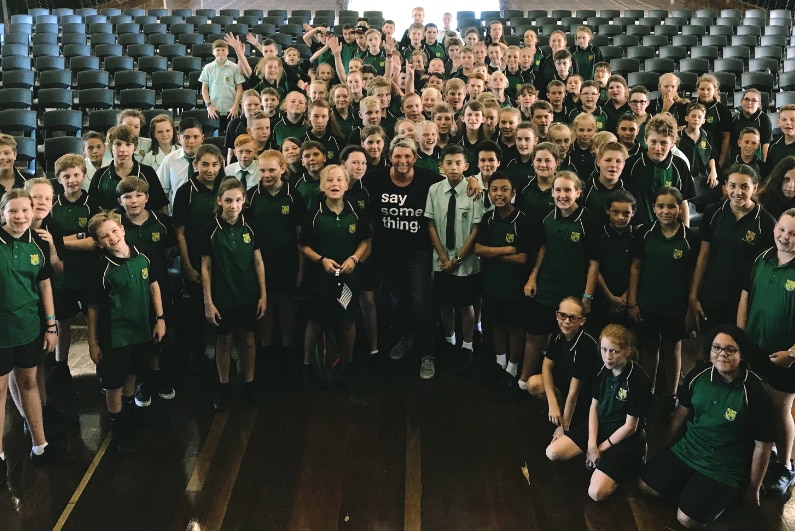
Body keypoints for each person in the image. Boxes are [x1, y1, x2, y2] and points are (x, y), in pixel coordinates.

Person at [639, 325, 775, 528]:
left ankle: (725, 497)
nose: (722, 354)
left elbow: (763, 445)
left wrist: (753, 488)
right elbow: (680, 416)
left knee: (687, 520)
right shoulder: (699, 375)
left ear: (742, 355)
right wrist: (667, 449)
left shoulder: (755, 392)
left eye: (730, 349)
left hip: (724, 465)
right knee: (645, 487)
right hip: (690, 449)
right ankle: (694, 489)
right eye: (716, 348)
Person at [0, 189, 73, 471]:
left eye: (25, 211)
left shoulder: (39, 244)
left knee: (29, 383)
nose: (20, 217)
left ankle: (40, 446)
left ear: (33, 212)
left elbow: (44, 286)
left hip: (29, 327)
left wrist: (51, 325)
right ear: (3, 213)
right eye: (13, 211)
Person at [362, 137, 442, 378]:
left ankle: (427, 353)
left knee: (420, 303)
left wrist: (471, 181)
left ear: (415, 158)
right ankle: (406, 338)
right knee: (399, 301)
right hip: (387, 251)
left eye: (407, 156)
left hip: (418, 251)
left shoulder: (428, 179)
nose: (402, 160)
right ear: (390, 158)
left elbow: (454, 183)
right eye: (397, 156)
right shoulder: (376, 178)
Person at [87, 210, 166, 453]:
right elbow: (93, 308)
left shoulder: (143, 256)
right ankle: (118, 424)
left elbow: (154, 286)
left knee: (132, 374)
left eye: (113, 231)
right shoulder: (102, 269)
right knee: (114, 383)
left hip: (140, 331)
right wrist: (93, 342)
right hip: (115, 336)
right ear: (99, 243)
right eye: (104, 236)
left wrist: (160, 318)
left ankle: (129, 413)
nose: (111, 237)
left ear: (122, 229)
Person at [546, 323, 651, 501]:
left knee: (596, 493)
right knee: (553, 452)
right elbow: (594, 407)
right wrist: (592, 444)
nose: (607, 356)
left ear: (627, 351)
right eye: (604, 349)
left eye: (614, 351)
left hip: (625, 438)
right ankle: (604, 461)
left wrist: (599, 449)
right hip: (602, 426)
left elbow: (630, 427)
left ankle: (632, 462)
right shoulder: (602, 369)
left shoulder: (638, 379)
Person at [522, 172, 600, 389]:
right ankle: (521, 382)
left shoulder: (589, 220)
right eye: (558, 190)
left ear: (578, 192)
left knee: (568, 342)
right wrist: (532, 278)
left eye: (568, 190)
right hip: (546, 288)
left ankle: (567, 390)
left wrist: (587, 296)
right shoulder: (546, 217)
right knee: (534, 335)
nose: (562, 195)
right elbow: (543, 249)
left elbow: (594, 263)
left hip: (573, 295)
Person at [738, 209, 795, 496]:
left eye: (793, 233)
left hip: (787, 358)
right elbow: (745, 297)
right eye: (781, 230)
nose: (784, 237)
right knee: (756, 402)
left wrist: (792, 354)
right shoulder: (762, 258)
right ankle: (763, 452)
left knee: (780, 408)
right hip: (755, 346)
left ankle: (785, 466)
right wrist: (740, 338)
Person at [628, 187, 699, 413]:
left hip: (674, 307)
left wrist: (689, 308)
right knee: (650, 347)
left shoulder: (690, 238)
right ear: (653, 208)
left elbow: (692, 278)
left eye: (671, 206)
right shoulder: (645, 233)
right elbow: (636, 268)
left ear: (679, 208)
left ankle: (672, 393)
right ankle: (649, 389)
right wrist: (633, 302)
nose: (665, 211)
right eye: (660, 206)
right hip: (648, 303)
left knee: (673, 349)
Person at [298, 165, 372, 381]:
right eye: (329, 180)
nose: (335, 184)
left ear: (347, 185)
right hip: (321, 280)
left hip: (349, 280)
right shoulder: (314, 213)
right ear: (321, 186)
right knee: (316, 321)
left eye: (339, 180)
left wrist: (354, 259)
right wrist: (321, 260)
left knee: (348, 323)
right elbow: (303, 246)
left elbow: (365, 241)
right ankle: (307, 365)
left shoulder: (356, 211)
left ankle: (347, 365)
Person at [689, 165, 775, 348]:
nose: (738, 192)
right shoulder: (713, 213)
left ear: (755, 188)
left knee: (737, 348)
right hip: (712, 294)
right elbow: (703, 256)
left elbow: (766, 269)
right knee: (706, 347)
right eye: (733, 186)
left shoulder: (766, 223)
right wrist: (693, 295)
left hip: (743, 299)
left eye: (744, 187)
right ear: (725, 186)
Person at [201, 178, 267, 411]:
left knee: (248, 340)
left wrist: (263, 295)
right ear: (219, 201)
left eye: (238, 200)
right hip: (222, 297)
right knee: (224, 342)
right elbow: (206, 267)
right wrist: (208, 302)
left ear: (244, 201)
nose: (233, 205)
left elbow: (258, 261)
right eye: (228, 200)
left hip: (248, 295)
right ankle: (224, 385)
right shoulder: (210, 229)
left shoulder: (251, 226)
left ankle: (249, 382)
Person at [117, 177, 177, 406]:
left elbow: (172, 249)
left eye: (139, 195)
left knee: (158, 333)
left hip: (158, 287)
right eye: (128, 197)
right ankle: (140, 380)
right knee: (135, 337)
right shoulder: (116, 225)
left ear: (147, 198)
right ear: (120, 201)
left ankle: (156, 375)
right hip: (128, 292)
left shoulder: (161, 222)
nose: (134, 201)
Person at [425, 145, 485, 372]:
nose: (453, 167)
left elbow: (476, 229)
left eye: (458, 163)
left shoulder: (473, 191)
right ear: (441, 166)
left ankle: (467, 345)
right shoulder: (434, 190)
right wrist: (443, 257)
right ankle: (449, 340)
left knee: (465, 304)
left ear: (466, 166)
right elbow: (430, 224)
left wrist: (458, 259)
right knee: (445, 303)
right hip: (441, 260)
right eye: (448, 163)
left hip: (465, 261)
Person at [47, 155, 101, 389]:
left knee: (95, 321)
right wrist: (78, 237)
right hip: (62, 277)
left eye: (77, 175)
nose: (72, 180)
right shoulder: (52, 205)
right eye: (66, 176)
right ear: (59, 179)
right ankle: (61, 366)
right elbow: (45, 239)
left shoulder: (92, 204)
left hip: (89, 274)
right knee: (62, 322)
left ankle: (101, 365)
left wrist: (57, 241)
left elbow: (93, 242)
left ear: (84, 175)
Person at [246, 150, 306, 359]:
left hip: (287, 262)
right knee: (265, 304)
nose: (267, 174)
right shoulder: (251, 195)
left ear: (282, 168)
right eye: (262, 170)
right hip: (260, 263)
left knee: (286, 304)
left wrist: (300, 267)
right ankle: (267, 347)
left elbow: (300, 235)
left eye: (272, 170)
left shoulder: (293, 195)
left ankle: (287, 348)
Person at [172, 144, 227, 365]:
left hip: (224, 259)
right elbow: (180, 231)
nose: (210, 169)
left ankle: (222, 353)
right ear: (196, 165)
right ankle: (196, 353)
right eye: (204, 164)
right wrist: (186, 265)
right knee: (197, 309)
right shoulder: (186, 191)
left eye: (215, 164)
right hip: (195, 258)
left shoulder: (227, 187)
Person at [474, 171, 531, 375]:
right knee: (496, 324)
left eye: (504, 190)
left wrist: (491, 253)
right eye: (494, 190)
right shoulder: (488, 218)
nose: (499, 194)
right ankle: (500, 361)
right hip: (491, 284)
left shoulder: (522, 220)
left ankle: (513, 368)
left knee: (514, 327)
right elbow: (478, 249)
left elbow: (523, 258)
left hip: (514, 286)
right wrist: (507, 250)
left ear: (513, 193)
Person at [528, 297, 600, 433]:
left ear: (582, 321)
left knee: (571, 423)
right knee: (533, 384)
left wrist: (564, 427)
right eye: (562, 315)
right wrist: (552, 402)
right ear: (557, 316)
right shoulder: (559, 332)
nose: (566, 322)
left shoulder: (586, 346)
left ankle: (572, 419)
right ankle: (563, 411)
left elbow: (575, 391)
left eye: (573, 318)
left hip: (584, 394)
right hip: (564, 384)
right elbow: (547, 365)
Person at [622, 113, 695, 226]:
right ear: (645, 140)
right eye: (653, 142)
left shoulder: (680, 165)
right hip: (639, 229)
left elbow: (684, 202)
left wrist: (686, 231)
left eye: (663, 143)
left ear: (672, 142)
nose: (658, 148)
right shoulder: (631, 164)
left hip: (670, 229)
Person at [89, 125, 169, 214]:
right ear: (111, 147)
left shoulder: (147, 173)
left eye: (128, 144)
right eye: (118, 144)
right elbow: (93, 210)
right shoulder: (100, 175)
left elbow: (160, 208)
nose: (123, 149)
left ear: (134, 147)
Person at [592, 190, 637, 333]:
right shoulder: (599, 235)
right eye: (615, 212)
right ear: (607, 210)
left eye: (626, 213)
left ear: (633, 212)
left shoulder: (637, 237)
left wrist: (624, 298)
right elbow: (595, 269)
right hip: (602, 297)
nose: (620, 218)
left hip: (628, 299)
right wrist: (611, 299)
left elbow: (637, 269)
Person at [678, 102, 719, 210]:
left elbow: (711, 156)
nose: (696, 119)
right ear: (686, 118)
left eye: (699, 117)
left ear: (704, 120)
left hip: (704, 178)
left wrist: (713, 172)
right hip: (686, 178)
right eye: (693, 116)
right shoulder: (678, 137)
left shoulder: (707, 136)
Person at [157, 118, 205, 208]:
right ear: (179, 138)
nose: (191, 141)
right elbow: (162, 191)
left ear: (202, 138)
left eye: (195, 137)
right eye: (186, 137)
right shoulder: (170, 160)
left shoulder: (211, 159)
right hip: (178, 212)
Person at [199, 39, 244, 132]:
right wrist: (209, 106)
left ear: (227, 51)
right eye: (218, 50)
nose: (221, 52)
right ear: (213, 52)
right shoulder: (208, 68)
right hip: (214, 110)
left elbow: (239, 88)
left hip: (231, 109)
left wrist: (235, 106)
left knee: (231, 135)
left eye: (223, 50)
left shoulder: (234, 67)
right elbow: (204, 89)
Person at [730, 89, 772, 164]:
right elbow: (731, 143)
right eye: (746, 99)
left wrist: (765, 165)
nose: (749, 103)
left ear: (759, 104)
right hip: (736, 160)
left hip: (755, 161)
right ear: (741, 101)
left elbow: (766, 144)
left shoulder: (764, 120)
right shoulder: (735, 119)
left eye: (753, 100)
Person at [224, 89, 263, 165]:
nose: (253, 107)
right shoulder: (234, 124)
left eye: (256, 104)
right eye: (249, 104)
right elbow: (231, 152)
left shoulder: (265, 122)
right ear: (242, 105)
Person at [767, 106, 795, 172]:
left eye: (793, 120)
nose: (788, 123)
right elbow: (769, 173)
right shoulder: (773, 145)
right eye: (784, 119)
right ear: (778, 123)